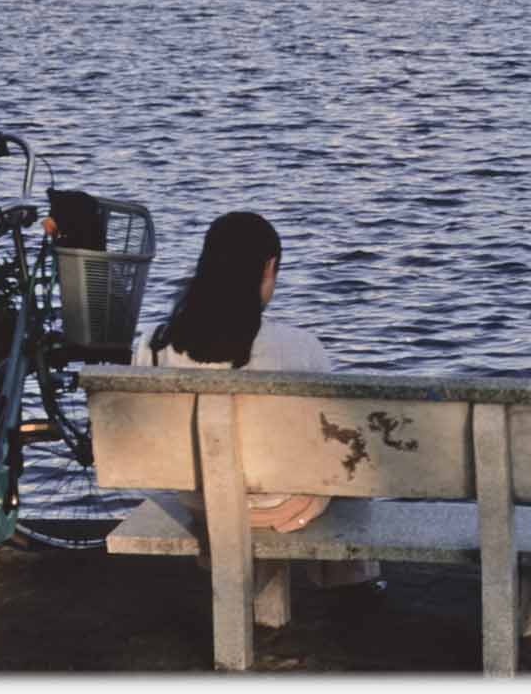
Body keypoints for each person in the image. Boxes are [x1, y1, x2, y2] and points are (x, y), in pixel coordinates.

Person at [133, 211, 383, 597]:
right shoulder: (298, 347)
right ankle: (349, 583)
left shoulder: (153, 343)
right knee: (345, 458)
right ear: (269, 268)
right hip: (279, 505)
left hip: (198, 501)